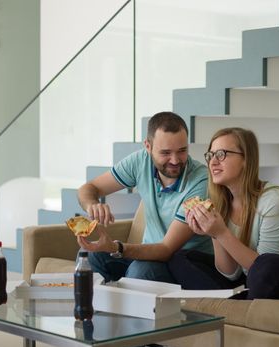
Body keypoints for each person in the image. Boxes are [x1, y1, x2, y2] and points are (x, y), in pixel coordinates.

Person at [168, 127, 279, 305]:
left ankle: (239, 304)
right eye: (210, 155)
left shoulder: (274, 201)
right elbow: (230, 273)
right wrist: (214, 233)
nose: (213, 162)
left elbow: (265, 268)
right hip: (254, 282)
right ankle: (238, 305)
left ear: (246, 159)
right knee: (180, 258)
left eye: (222, 154)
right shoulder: (221, 203)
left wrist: (222, 232)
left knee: (267, 265)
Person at [76, 111, 212, 283]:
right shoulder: (141, 161)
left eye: (182, 151)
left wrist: (115, 247)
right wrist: (92, 205)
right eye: (165, 153)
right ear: (148, 146)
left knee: (140, 272)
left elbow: (166, 249)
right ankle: (91, 310)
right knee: (89, 256)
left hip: (184, 264)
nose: (175, 160)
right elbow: (89, 188)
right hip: (148, 254)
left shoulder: (201, 181)